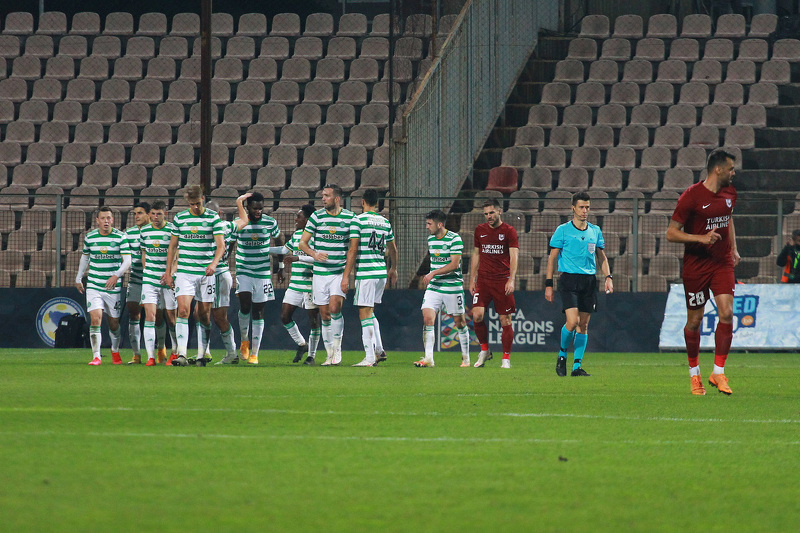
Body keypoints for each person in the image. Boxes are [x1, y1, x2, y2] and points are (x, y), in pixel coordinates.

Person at [666, 149, 740, 395]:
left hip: (721, 262)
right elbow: (671, 233)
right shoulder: (691, 196)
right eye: (730, 168)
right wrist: (701, 238)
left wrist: (734, 248)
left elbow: (727, 219)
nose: (733, 172)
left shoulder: (730, 193)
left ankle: (718, 373)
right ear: (717, 169)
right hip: (696, 266)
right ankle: (694, 374)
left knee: (727, 313)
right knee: (695, 321)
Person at [545, 191, 613, 378]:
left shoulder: (595, 231)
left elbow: (601, 257)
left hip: (589, 281)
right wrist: (548, 284)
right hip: (568, 280)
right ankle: (561, 355)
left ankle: (577, 366)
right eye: (581, 207)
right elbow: (552, 258)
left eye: (587, 207)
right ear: (573, 208)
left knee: (583, 325)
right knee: (572, 321)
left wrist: (608, 277)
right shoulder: (563, 230)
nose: (585, 211)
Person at [164, 185, 226, 367]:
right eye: (192, 204)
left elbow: (220, 245)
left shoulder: (213, 217)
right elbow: (172, 247)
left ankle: (201, 355)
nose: (196, 208)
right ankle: (181, 354)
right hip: (185, 272)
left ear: (203, 199)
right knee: (183, 310)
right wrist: (168, 273)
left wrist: (214, 264)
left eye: (198, 204)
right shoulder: (180, 218)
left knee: (204, 315)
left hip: (205, 274)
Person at [299, 184, 355, 366]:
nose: (323, 199)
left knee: (334, 309)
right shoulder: (316, 217)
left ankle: (337, 350)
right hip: (320, 273)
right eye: (322, 196)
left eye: (327, 196)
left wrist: (347, 275)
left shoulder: (349, 218)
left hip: (338, 272)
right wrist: (314, 254)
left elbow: (352, 250)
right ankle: (329, 353)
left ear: (337, 199)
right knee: (324, 314)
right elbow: (302, 243)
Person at [342, 189, 398, 367]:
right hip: (381, 272)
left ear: (363, 201)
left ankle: (369, 357)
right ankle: (379, 350)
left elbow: (352, 250)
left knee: (364, 313)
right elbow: (393, 249)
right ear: (377, 203)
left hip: (366, 273)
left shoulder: (358, 221)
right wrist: (393, 269)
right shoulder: (385, 222)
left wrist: (346, 276)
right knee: (370, 312)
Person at [75, 206, 132, 365]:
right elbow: (85, 259)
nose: (106, 221)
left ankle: (115, 351)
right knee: (96, 318)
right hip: (94, 284)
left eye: (109, 218)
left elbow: (127, 260)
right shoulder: (90, 237)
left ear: (112, 220)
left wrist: (116, 275)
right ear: (97, 220)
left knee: (114, 323)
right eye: (103, 218)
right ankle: (96, 356)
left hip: (112, 287)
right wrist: (78, 277)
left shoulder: (120, 237)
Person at [230, 192, 282, 365]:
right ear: (248, 208)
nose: (258, 211)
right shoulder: (241, 223)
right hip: (244, 269)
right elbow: (231, 242)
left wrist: (279, 265)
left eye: (261, 208)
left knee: (258, 310)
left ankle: (255, 353)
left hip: (262, 273)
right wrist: (224, 258)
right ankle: (244, 340)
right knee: (245, 304)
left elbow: (279, 239)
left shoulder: (270, 222)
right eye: (255, 208)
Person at [415, 209, 470, 367]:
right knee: (427, 317)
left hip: (452, 286)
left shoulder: (455, 239)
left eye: (429, 224)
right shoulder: (431, 240)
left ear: (439, 224)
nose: (427, 227)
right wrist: (433, 275)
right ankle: (428, 358)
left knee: (459, 322)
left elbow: (454, 264)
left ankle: (466, 359)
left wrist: (433, 273)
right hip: (435, 287)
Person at [469, 198, 519, 369]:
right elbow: (476, 254)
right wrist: (472, 278)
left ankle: (506, 358)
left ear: (499, 211)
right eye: (485, 214)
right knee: (477, 315)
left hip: (502, 281)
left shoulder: (509, 231)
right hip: (483, 280)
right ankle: (485, 350)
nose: (488, 216)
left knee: (505, 319)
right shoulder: (480, 230)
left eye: (491, 213)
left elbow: (514, 256)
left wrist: (511, 279)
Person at [194, 199, 242, 366]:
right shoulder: (228, 226)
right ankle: (205, 352)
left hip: (217, 274)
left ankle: (231, 353)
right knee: (199, 313)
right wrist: (240, 204)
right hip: (210, 273)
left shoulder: (212, 228)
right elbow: (243, 221)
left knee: (218, 317)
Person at [139, 200, 178, 366]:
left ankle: (175, 352)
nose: (155, 217)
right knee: (150, 316)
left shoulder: (172, 230)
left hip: (168, 278)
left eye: (159, 214)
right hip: (150, 278)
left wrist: (170, 273)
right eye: (153, 214)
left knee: (171, 317)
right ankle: (150, 356)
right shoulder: (145, 231)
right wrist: (146, 271)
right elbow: (143, 254)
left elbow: (178, 255)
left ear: (165, 214)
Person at [281, 203, 321, 365]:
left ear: (308, 220)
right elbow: (284, 251)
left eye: (299, 217)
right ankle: (301, 344)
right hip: (295, 285)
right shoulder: (297, 235)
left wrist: (298, 258)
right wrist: (263, 249)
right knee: (285, 316)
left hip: (310, 284)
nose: (295, 219)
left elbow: (318, 258)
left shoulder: (317, 237)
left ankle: (311, 355)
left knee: (313, 321)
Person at [123, 202, 150, 364]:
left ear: (148, 215)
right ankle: (136, 354)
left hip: (153, 280)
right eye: (135, 214)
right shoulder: (129, 234)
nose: (137, 217)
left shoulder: (155, 232)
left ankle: (160, 350)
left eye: (140, 213)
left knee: (158, 317)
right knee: (134, 313)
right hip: (135, 279)